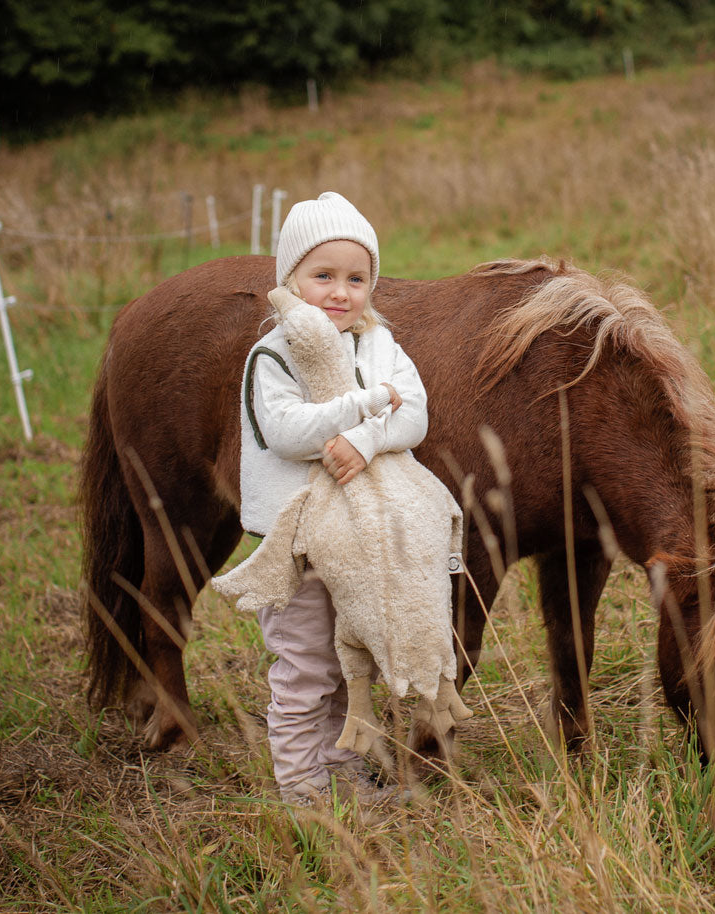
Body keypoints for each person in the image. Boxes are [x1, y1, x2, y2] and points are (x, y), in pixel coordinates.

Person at [239, 191, 428, 806]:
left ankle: (343, 775)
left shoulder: (379, 344)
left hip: (355, 536)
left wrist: (366, 438)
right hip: (296, 541)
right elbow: (289, 433)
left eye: (357, 278)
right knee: (305, 669)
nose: (341, 292)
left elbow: (415, 413)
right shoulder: (274, 354)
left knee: (352, 660)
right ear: (289, 279)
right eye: (323, 276)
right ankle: (301, 789)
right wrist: (365, 407)